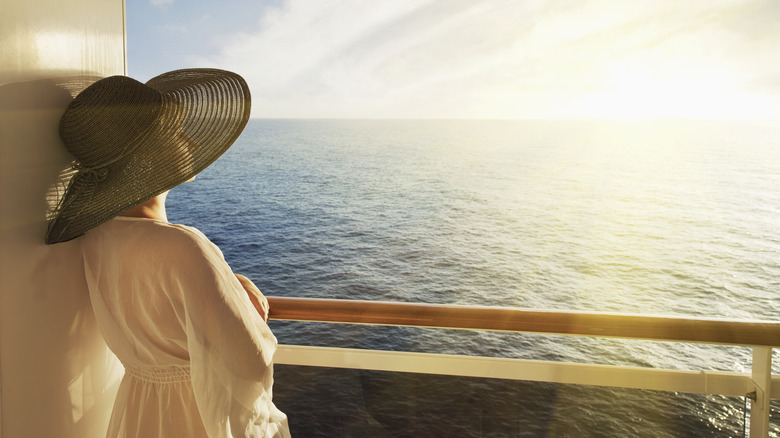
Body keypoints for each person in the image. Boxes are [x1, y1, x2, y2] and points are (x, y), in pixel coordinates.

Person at [45, 69, 291, 437]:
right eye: (177, 134)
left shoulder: (98, 236)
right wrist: (241, 302)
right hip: (195, 418)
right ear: (148, 153)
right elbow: (252, 364)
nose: (191, 143)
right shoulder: (183, 246)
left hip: (140, 410)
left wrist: (228, 282)